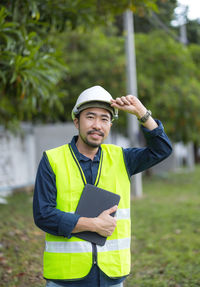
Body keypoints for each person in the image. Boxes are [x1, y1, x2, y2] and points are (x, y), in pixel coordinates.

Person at [33, 85, 172, 287]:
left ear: (110, 126)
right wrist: (94, 225)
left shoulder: (122, 158)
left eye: (104, 119)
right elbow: (43, 215)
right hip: (66, 277)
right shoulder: (52, 160)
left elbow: (163, 149)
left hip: (111, 276)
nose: (97, 125)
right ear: (76, 121)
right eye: (90, 117)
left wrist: (142, 113)